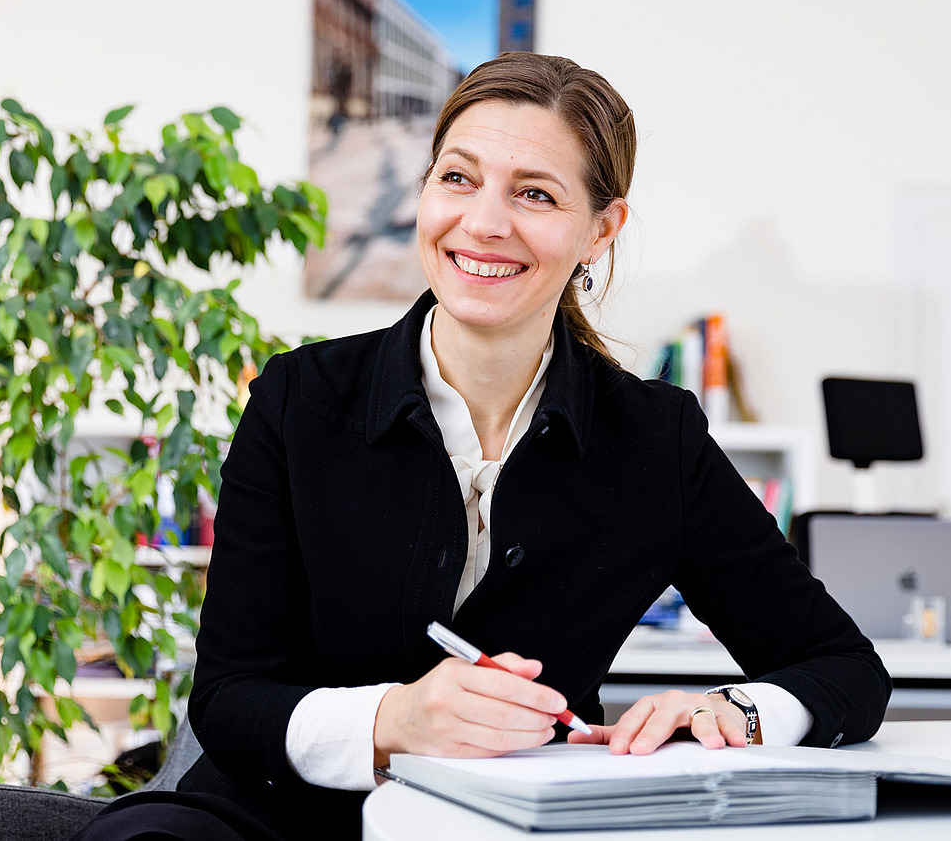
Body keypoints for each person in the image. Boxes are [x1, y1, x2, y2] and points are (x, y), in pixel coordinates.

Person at [73, 52, 891, 841]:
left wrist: (736, 711)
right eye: (457, 178)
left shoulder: (655, 438)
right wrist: (392, 719)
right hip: (267, 819)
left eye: (534, 193)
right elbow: (228, 696)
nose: (484, 222)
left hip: (513, 826)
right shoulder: (300, 400)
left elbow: (845, 666)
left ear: (601, 230)